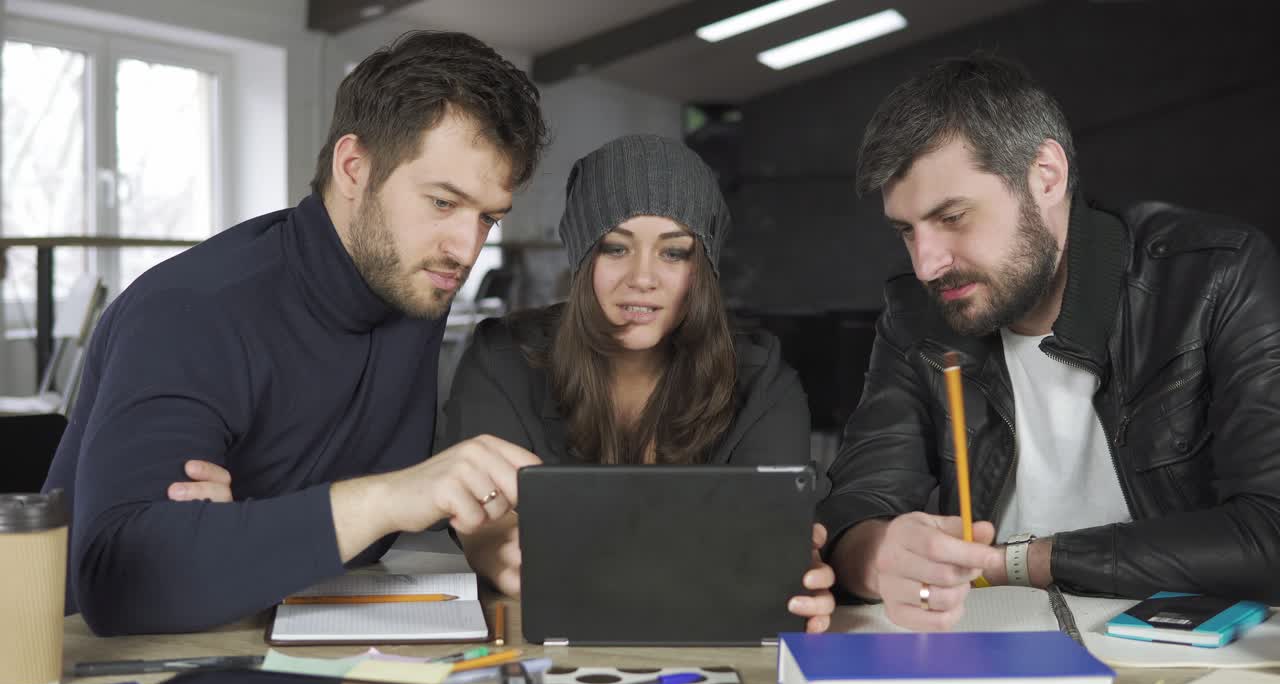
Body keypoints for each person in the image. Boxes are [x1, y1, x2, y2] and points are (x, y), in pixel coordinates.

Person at [42, 30, 549, 636]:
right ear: (354, 167)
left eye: (487, 217)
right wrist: (389, 498)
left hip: (282, 644)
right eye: (443, 202)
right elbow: (117, 582)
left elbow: (347, 525)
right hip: (91, 664)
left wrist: (481, 528)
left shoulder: (412, 277)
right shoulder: (189, 310)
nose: (467, 249)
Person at [819, 52, 1280, 631]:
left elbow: (1270, 530)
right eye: (907, 231)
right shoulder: (917, 315)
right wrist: (876, 556)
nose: (927, 264)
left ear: (1046, 175)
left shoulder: (1215, 276)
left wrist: (1019, 561)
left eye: (953, 217)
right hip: (990, 642)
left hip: (1181, 652)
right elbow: (856, 504)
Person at [441, 134, 835, 632]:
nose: (643, 278)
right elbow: (485, 523)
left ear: (704, 266)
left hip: (708, 641)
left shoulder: (762, 379)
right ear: (581, 257)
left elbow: (774, 540)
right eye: (616, 247)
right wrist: (499, 549)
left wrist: (795, 566)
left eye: (674, 253)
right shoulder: (503, 360)